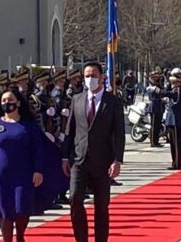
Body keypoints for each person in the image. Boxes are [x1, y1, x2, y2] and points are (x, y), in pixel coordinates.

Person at [61, 61, 125, 242]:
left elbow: (119, 133)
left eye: (93, 75)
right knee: (74, 199)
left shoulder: (112, 102)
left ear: (101, 77)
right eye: (87, 76)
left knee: (101, 207)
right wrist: (65, 157)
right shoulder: (77, 99)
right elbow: (70, 130)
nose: (90, 79)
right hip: (79, 160)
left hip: (102, 162)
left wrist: (117, 160)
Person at [0, 89, 44, 242]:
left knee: (22, 206)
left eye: (10, 100)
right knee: (4, 209)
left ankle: (20, 236)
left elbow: (37, 149)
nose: (7, 103)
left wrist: (38, 170)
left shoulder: (28, 125)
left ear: (18, 102)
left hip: (23, 171)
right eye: (3, 101)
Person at [160, 72, 181, 170]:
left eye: (173, 82)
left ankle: (178, 163)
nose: (172, 83)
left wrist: (159, 90)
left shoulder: (179, 90)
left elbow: (169, 94)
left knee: (176, 143)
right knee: (172, 142)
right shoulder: (176, 89)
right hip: (172, 119)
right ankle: (174, 162)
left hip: (176, 119)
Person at [146, 69, 164, 148]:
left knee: (158, 125)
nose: (158, 79)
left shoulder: (158, 85)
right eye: (156, 77)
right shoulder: (151, 87)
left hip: (159, 107)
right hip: (153, 107)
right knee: (153, 126)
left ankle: (156, 141)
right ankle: (153, 141)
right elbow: (153, 97)